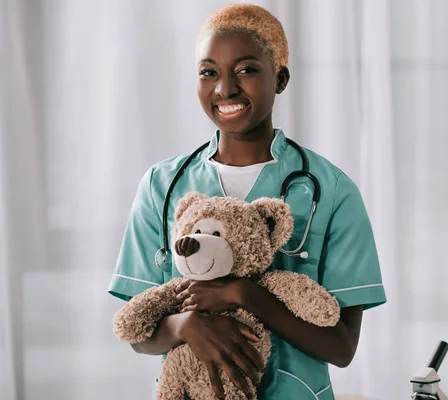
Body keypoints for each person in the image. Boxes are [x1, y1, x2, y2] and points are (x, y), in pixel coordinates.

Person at [107, 4, 386, 400]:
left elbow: (341, 348)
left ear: (281, 78)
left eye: (246, 69)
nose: (225, 89)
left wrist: (245, 294)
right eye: (209, 72)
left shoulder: (332, 189)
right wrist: (186, 326)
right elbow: (139, 333)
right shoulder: (162, 185)